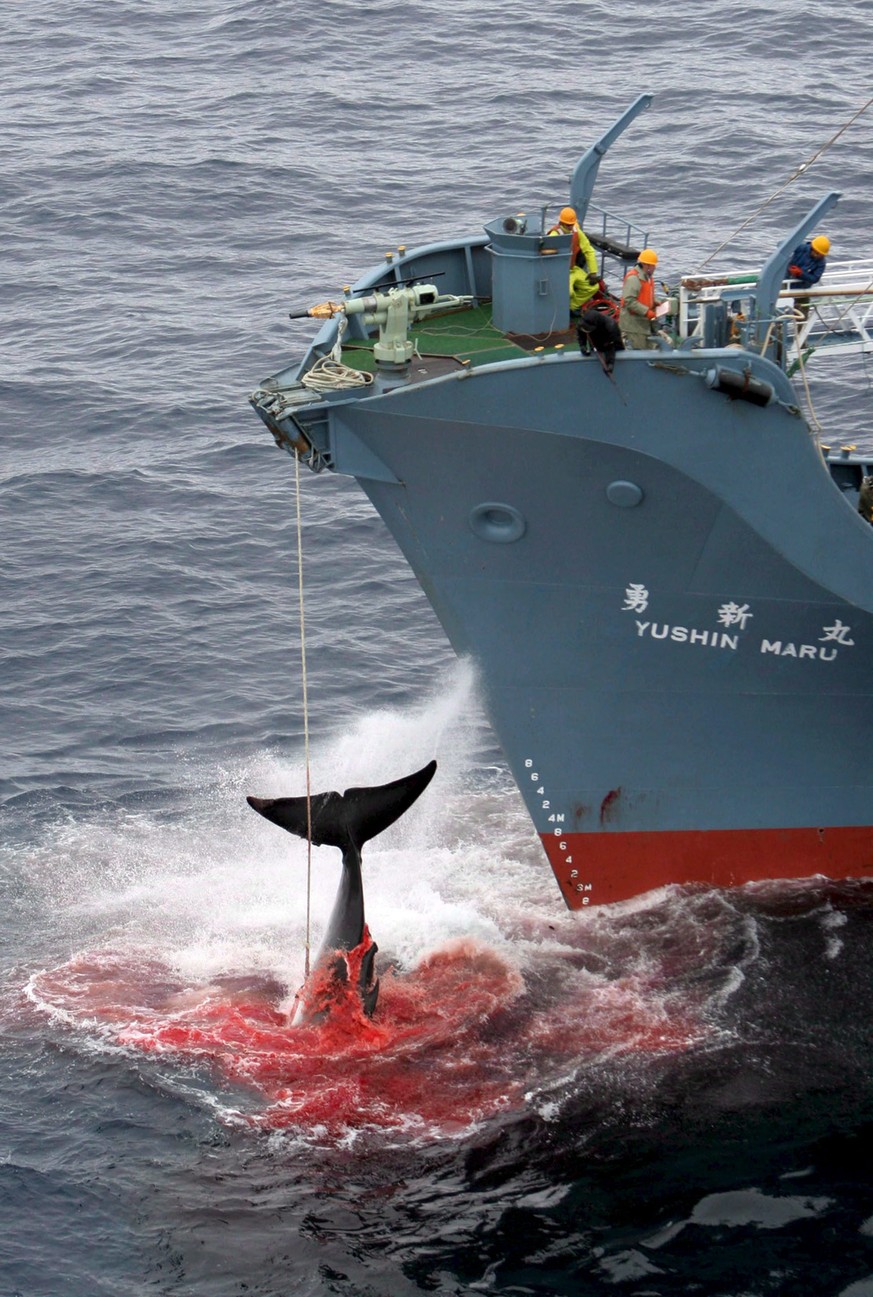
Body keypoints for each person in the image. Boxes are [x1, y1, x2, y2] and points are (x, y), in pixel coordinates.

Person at [546, 206, 601, 313]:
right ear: (561, 222)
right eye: (568, 225)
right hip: (560, 272)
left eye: (572, 224)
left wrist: (593, 272)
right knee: (569, 292)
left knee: (593, 287)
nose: (570, 227)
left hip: (572, 269)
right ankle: (561, 309)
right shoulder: (553, 235)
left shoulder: (576, 231)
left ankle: (571, 307)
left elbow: (588, 251)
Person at [619, 248, 664, 349]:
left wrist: (655, 301)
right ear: (646, 265)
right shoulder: (634, 279)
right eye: (653, 265)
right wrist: (647, 312)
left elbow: (645, 294)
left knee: (648, 348)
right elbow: (629, 301)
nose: (655, 268)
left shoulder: (647, 277)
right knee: (639, 351)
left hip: (643, 323)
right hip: (633, 326)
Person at [787, 234, 830, 320]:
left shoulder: (821, 262)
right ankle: (776, 330)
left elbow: (815, 278)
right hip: (786, 284)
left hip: (803, 289)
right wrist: (789, 268)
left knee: (802, 315)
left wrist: (800, 273)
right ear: (813, 249)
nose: (819, 256)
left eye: (822, 255)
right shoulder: (801, 248)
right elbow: (785, 251)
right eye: (818, 254)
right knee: (779, 311)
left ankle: (801, 332)